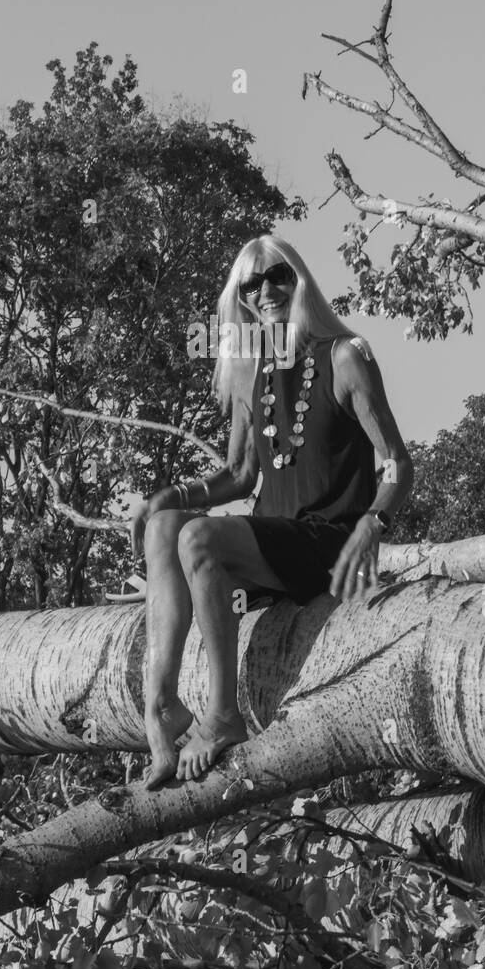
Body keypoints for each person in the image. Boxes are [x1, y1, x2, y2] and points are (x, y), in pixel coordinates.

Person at [129, 235, 413, 788]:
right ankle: (160, 705)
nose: (266, 291)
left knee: (198, 541)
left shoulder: (346, 355)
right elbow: (240, 475)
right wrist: (174, 495)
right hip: (278, 547)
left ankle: (223, 714)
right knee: (166, 527)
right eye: (251, 285)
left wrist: (374, 523)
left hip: (327, 544)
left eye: (277, 276)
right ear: (242, 301)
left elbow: (399, 464)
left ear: (300, 279)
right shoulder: (250, 374)